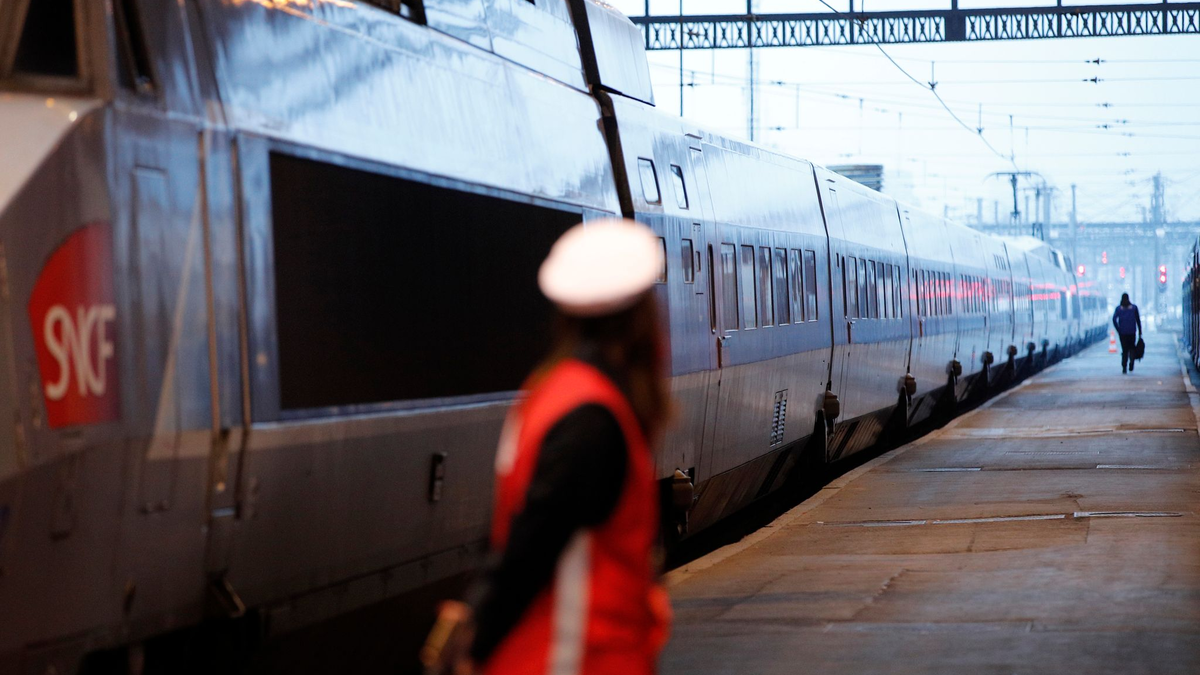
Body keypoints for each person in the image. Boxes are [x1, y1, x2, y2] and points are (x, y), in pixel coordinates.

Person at [422, 219, 672, 675]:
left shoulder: (550, 391)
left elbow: (512, 531)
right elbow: (530, 548)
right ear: (642, 316)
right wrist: (477, 644)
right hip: (575, 657)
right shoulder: (592, 418)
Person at [1112, 292, 1142, 374]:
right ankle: (1131, 362)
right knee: (1132, 348)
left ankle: (1124, 366)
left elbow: (1114, 319)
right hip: (1132, 332)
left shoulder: (1118, 309)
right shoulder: (1134, 308)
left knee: (1124, 350)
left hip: (1123, 333)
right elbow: (1138, 320)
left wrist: (1118, 329)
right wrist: (1140, 331)